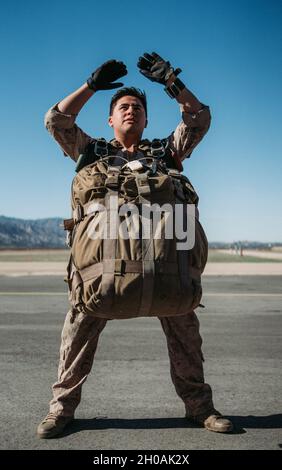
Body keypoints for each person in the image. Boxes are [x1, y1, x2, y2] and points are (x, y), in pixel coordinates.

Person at [37, 52, 233, 438]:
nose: (131, 112)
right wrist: (91, 86)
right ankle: (60, 411)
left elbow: (199, 118)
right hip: (102, 273)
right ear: (110, 119)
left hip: (165, 268)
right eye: (124, 107)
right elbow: (56, 120)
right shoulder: (91, 152)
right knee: (76, 337)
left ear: (146, 119)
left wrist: (171, 82)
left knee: (186, 338)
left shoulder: (166, 153)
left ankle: (200, 408)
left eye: (138, 108)